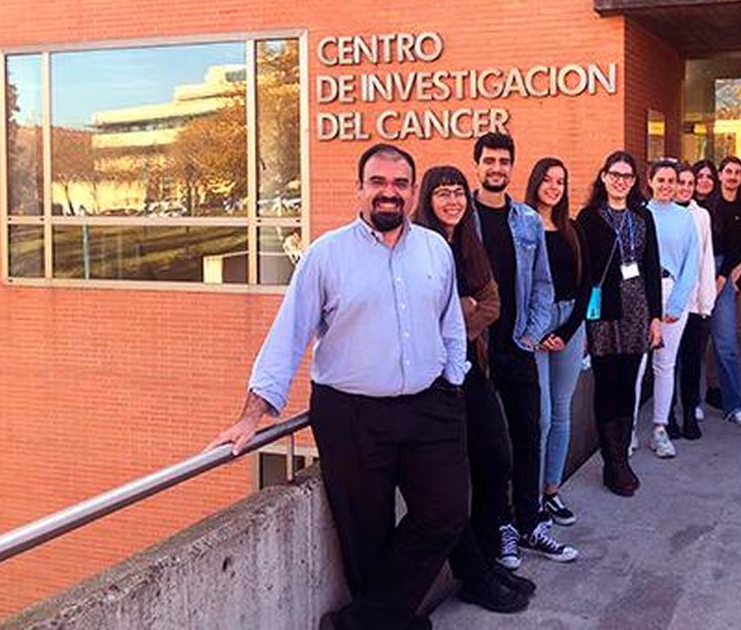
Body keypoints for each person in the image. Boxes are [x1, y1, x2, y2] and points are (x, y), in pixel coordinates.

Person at [207, 144, 468, 630]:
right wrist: (251, 414)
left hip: (431, 407)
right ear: (360, 188)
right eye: (378, 182)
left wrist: (454, 379)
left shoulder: (435, 248)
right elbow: (289, 334)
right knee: (365, 536)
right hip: (352, 416)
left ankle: (356, 625)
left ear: (413, 191)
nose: (389, 193)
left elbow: (450, 320)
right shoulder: (326, 255)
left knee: (448, 512)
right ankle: (390, 622)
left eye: (399, 184)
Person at [414, 166, 534, 614]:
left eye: (458, 193)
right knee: (453, 482)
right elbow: (419, 319)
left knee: (496, 458)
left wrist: (458, 317)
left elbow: (493, 304)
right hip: (434, 385)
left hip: (472, 368)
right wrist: (458, 314)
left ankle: (487, 557)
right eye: (443, 194)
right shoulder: (416, 246)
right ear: (428, 199)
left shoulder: (468, 244)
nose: (453, 201)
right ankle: (474, 576)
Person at [470, 132, 576, 567]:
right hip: (476, 354)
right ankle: (500, 529)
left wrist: (529, 335)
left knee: (529, 434)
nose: (497, 168)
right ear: (477, 164)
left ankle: (531, 524)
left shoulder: (527, 220)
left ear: (513, 167)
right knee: (491, 447)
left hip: (518, 346)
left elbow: (543, 284)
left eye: (503, 161)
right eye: (489, 160)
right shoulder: (463, 219)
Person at [576, 151, 663, 496]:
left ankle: (621, 457)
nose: (621, 181)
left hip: (637, 311)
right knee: (606, 386)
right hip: (602, 314)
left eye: (627, 176)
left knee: (628, 386)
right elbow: (583, 273)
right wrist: (581, 320)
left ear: (634, 181)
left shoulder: (643, 217)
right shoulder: (588, 217)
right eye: (615, 174)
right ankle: (611, 463)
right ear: (603, 176)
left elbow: (652, 267)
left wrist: (655, 316)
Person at [523, 157, 589, 527]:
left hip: (569, 324)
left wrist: (565, 332)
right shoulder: (522, 226)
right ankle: (530, 498)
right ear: (535, 183)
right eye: (547, 180)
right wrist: (539, 328)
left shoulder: (573, 229)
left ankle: (551, 491)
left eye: (560, 182)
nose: (553, 187)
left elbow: (585, 285)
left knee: (562, 410)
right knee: (542, 415)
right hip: (535, 323)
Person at [642, 159, 699, 458]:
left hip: (673, 292)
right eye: (660, 180)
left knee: (665, 365)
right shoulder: (640, 213)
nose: (666, 186)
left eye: (671, 181)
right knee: (637, 368)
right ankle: (626, 435)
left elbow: (693, 262)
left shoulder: (685, 217)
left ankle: (659, 428)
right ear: (650, 181)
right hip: (641, 296)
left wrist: (677, 302)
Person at [708, 156, 741, 427]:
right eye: (728, 171)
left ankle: (735, 404)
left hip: (724, 273)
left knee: (728, 342)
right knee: (689, 345)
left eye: (737, 172)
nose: (732, 176)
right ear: (720, 175)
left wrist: (725, 276)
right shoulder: (708, 205)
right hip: (701, 272)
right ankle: (690, 404)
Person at [672, 161, 717, 439]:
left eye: (690, 184)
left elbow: (706, 260)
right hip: (667, 302)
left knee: (691, 360)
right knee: (667, 364)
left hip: (693, 302)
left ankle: (690, 411)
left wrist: (705, 302)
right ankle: (666, 416)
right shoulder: (654, 214)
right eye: (681, 183)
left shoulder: (701, 216)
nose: (686, 188)